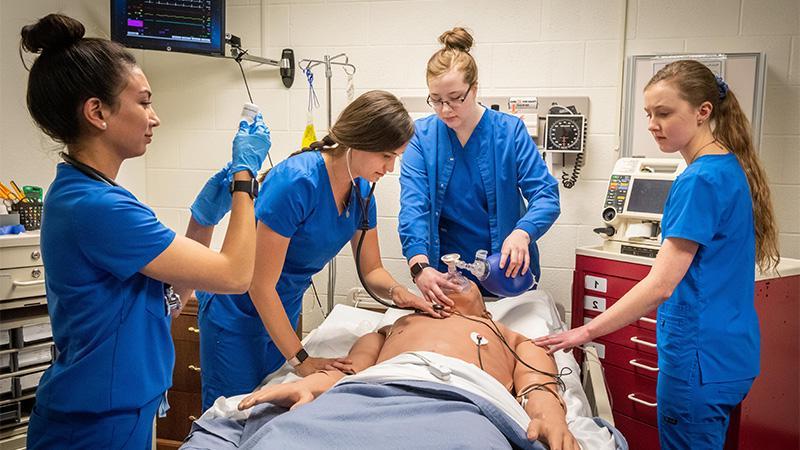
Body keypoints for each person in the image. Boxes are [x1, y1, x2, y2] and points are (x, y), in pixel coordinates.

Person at [20, 13, 270, 450]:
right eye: (144, 102)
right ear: (97, 112)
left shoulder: (93, 194)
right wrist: (245, 179)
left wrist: (203, 218)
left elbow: (169, 301)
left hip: (119, 413)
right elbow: (234, 276)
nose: (155, 118)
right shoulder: (97, 207)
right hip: (94, 428)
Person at [535, 60, 780, 450]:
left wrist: (585, 332)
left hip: (698, 361)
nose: (652, 123)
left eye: (664, 113)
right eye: (649, 113)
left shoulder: (698, 180)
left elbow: (661, 285)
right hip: (730, 356)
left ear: (703, 112)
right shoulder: (730, 167)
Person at [195, 90, 441, 412]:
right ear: (359, 140)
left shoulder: (362, 191)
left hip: (283, 312)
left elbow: (371, 271)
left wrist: (398, 292)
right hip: (237, 316)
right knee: (231, 416)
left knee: (269, 410)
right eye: (386, 156)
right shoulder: (297, 182)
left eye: (395, 157)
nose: (390, 168)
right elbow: (259, 284)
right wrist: (301, 360)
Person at [231, 278, 579, 450]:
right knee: (282, 437)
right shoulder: (395, 325)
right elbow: (354, 370)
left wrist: (550, 414)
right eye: (442, 274)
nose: (449, 275)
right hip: (370, 393)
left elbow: (538, 382)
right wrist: (307, 385)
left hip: (460, 399)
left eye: (462, 280)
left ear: (484, 308)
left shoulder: (504, 333)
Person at [399, 27, 560, 307]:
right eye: (436, 100)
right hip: (448, 281)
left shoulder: (509, 132)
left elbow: (546, 195)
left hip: (507, 274)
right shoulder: (421, 139)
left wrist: (523, 232)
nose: (445, 109)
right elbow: (414, 209)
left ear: (474, 89)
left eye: (455, 98)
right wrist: (419, 266)